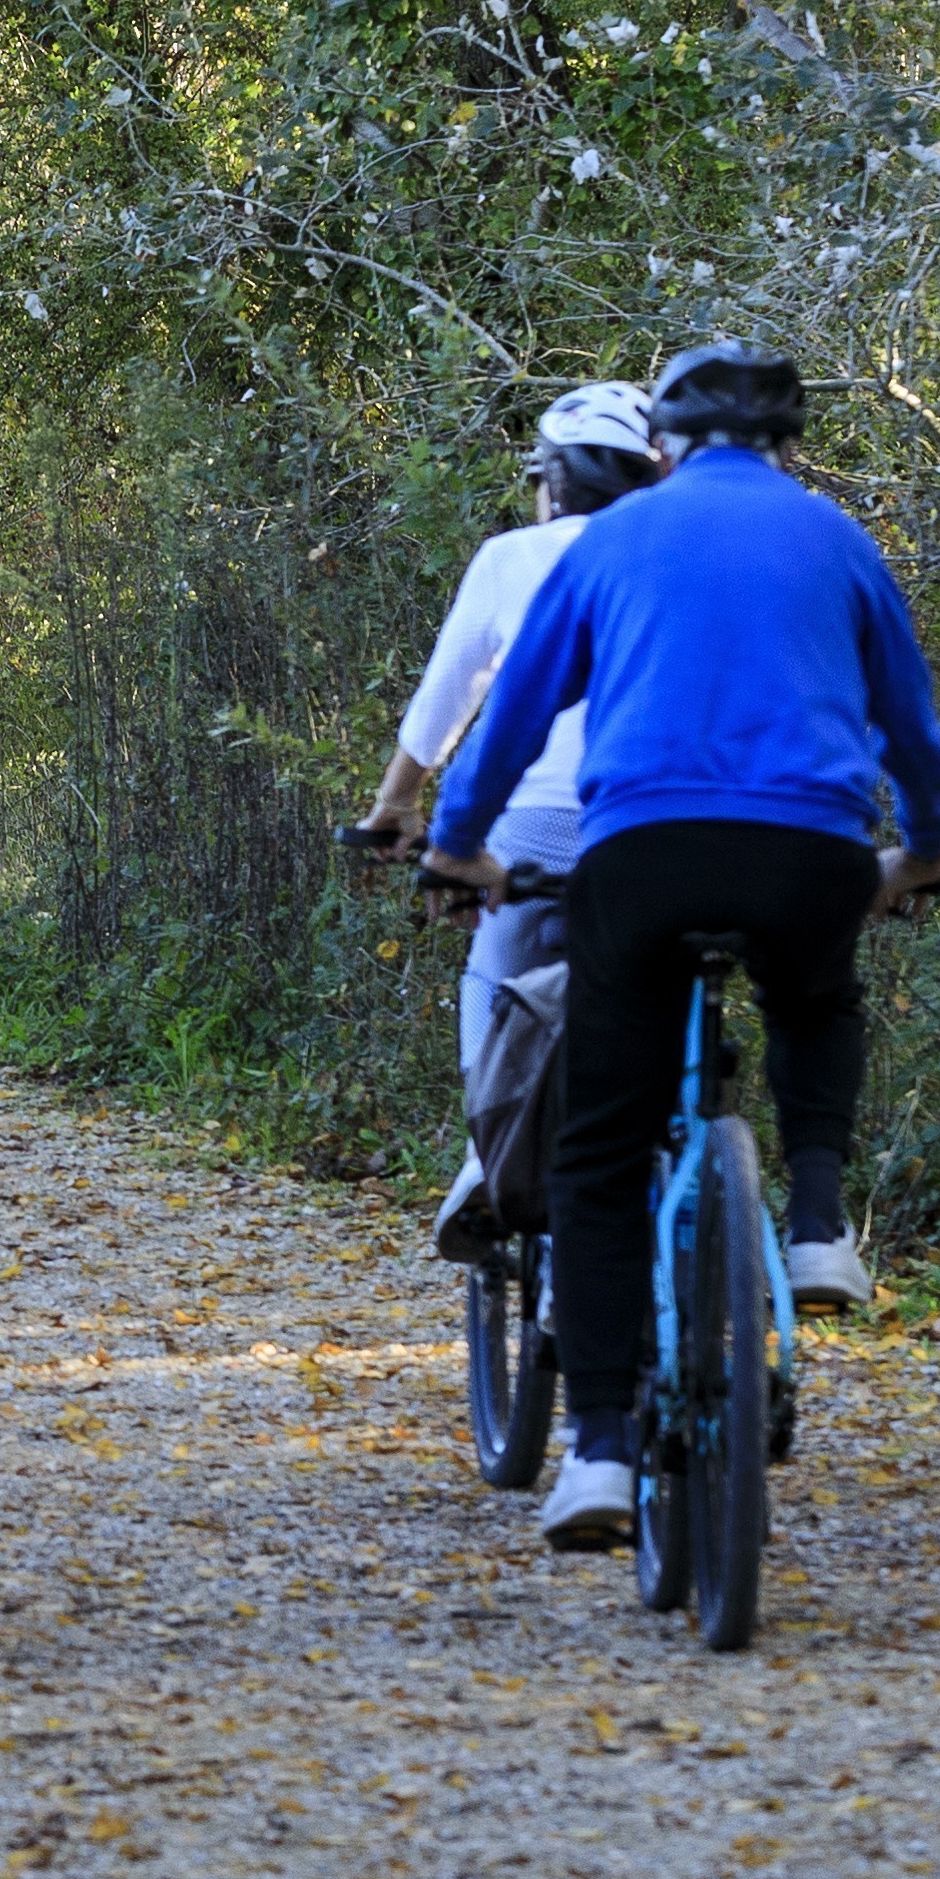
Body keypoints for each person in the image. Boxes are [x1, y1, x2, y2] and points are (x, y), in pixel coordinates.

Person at [424, 344, 940, 1556]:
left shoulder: (613, 540)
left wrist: (460, 844)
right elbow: (913, 731)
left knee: (602, 1148)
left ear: (664, 444)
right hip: (810, 851)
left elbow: (514, 716)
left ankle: (603, 1450)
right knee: (817, 998)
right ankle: (817, 1219)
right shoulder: (839, 540)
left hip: (644, 853)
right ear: (789, 441)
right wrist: (921, 852)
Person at [361, 380, 668, 1256]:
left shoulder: (516, 556)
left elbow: (447, 698)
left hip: (537, 820)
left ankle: (485, 1161)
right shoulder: (679, 557)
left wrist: (397, 805)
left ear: (554, 479)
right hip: (664, 819)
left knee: (496, 983)